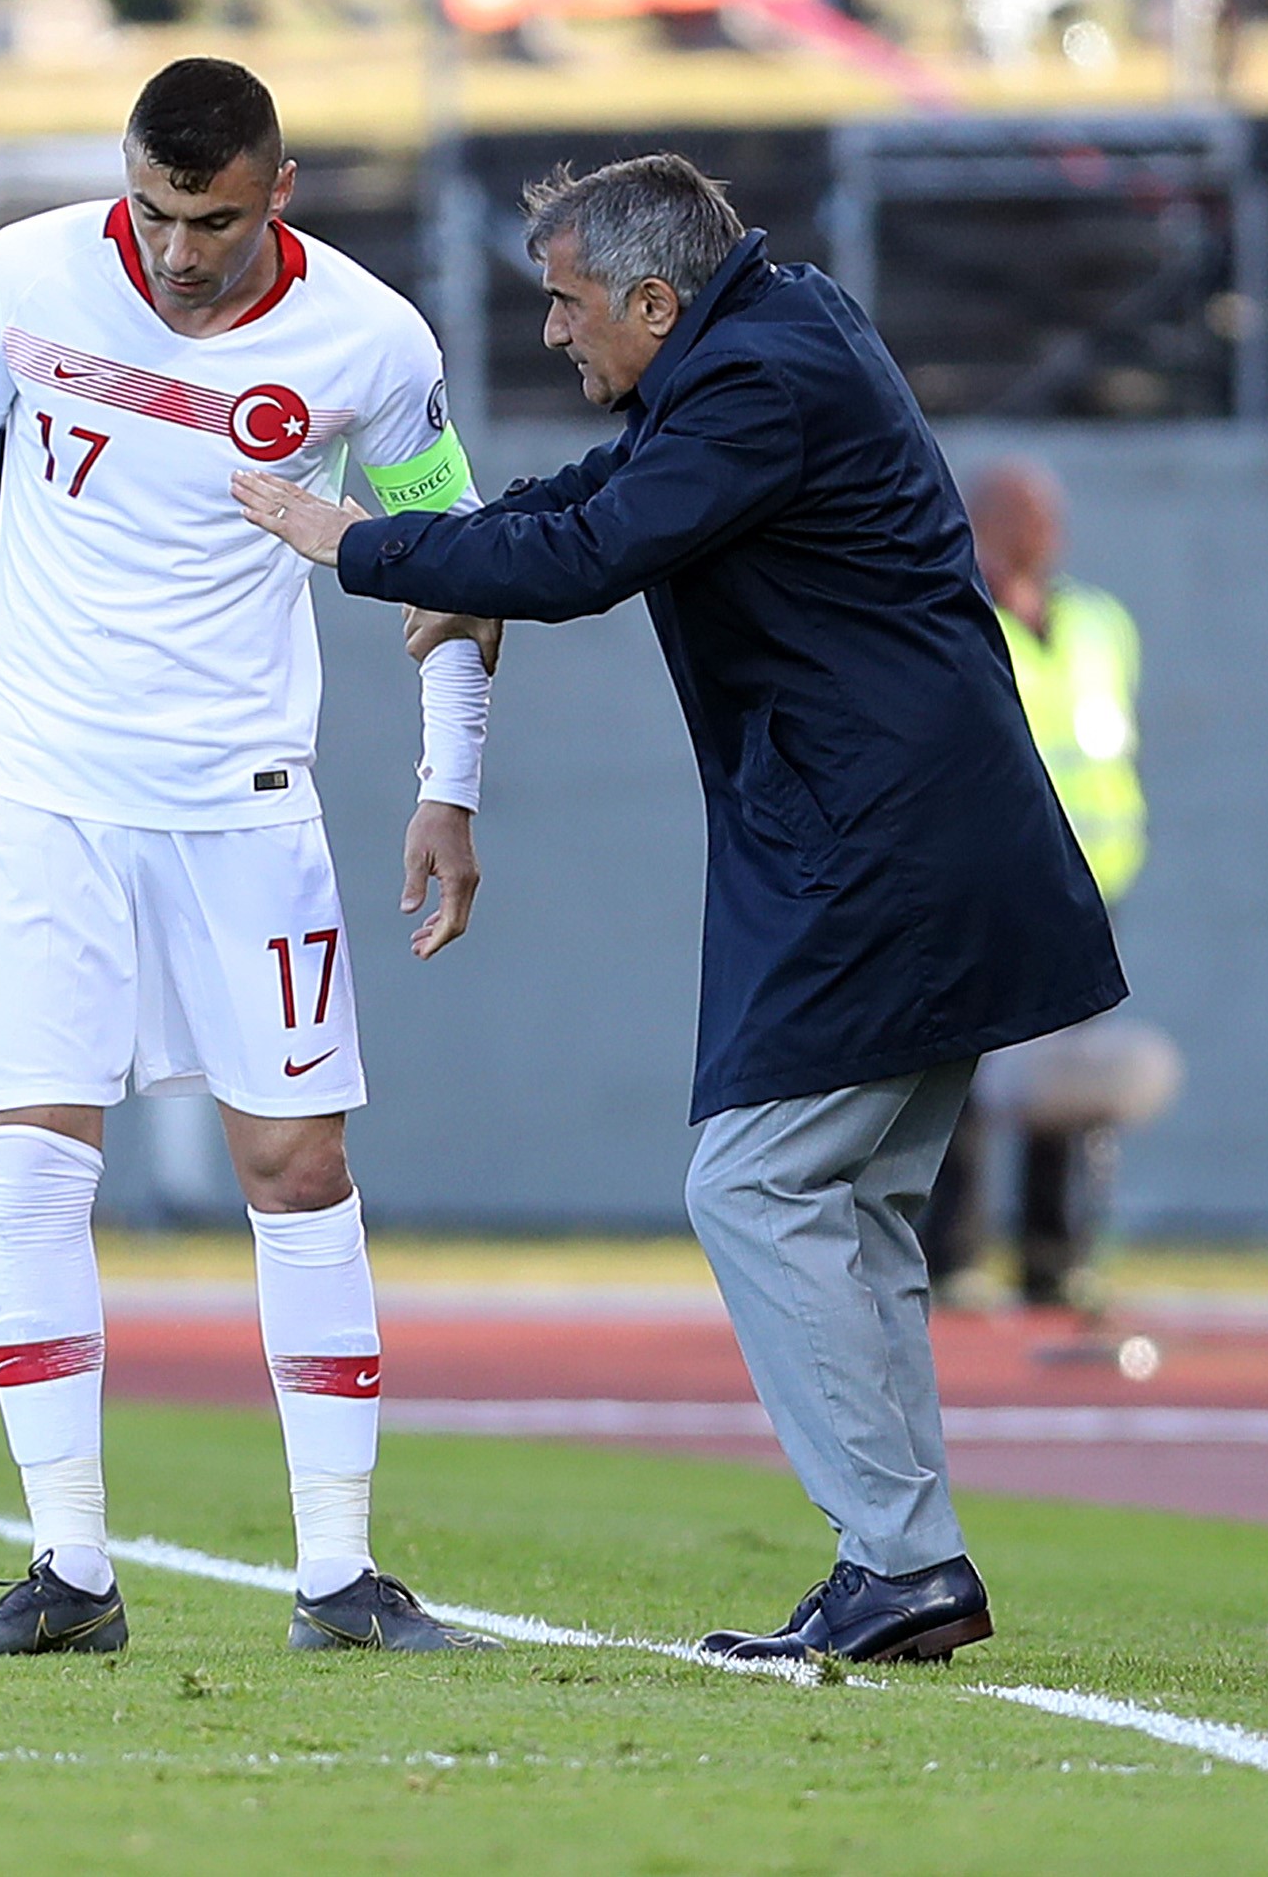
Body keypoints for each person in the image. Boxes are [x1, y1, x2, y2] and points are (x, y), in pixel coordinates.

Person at [237, 153, 1126, 1667]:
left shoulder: (757, 379)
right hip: (899, 834)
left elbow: (594, 551)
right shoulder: (768, 335)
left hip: (882, 845)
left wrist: (356, 540)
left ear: (656, 298)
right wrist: (465, 559)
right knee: (849, 1209)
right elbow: (600, 495)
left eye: (568, 304)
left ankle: (901, 1561)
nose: (553, 334)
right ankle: (900, 1561)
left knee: (756, 1188)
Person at [0, 57, 500, 1659]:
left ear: (281, 191)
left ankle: (339, 1575)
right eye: (156, 209)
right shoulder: (27, 273)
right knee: (37, 1163)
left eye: (217, 218)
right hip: (32, 792)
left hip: (244, 805)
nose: (180, 250)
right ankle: (70, 1572)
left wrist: (447, 785)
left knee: (297, 1167)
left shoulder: (372, 345)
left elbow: (449, 568)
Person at [920, 460, 1180, 1312]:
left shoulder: (1102, 624)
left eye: (1050, 517)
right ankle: (952, 1252)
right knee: (963, 1069)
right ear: (987, 523)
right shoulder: (955, 618)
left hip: (1086, 890)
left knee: (1062, 1078)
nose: (1046, 533)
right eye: (1026, 516)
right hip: (984, 880)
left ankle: (1052, 1254)